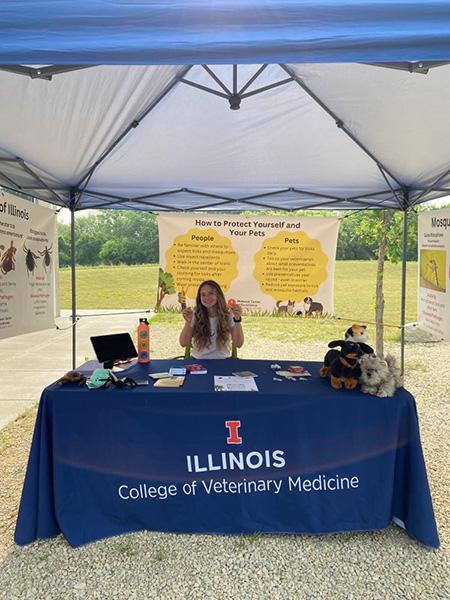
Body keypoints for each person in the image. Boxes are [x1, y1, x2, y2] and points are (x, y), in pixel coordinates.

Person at [179, 280, 244, 359]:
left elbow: (238, 344)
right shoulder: (195, 315)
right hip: (198, 361)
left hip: (223, 361)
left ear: (218, 295)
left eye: (211, 293)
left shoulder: (229, 315)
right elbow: (183, 343)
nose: (207, 298)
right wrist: (188, 322)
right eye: (203, 295)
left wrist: (237, 319)